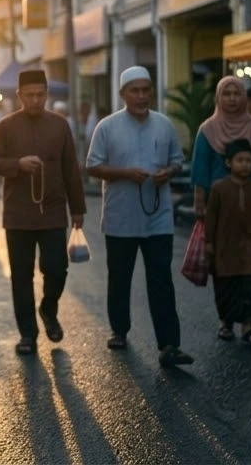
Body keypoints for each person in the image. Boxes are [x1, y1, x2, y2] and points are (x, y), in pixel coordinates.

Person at [85, 66, 192, 366]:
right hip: (121, 218)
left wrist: (168, 172)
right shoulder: (107, 127)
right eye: (135, 90)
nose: (142, 96)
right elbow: (93, 166)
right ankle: (119, 330)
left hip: (159, 217)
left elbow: (177, 160)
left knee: (161, 279)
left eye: (146, 90)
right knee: (120, 278)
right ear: (123, 94)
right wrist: (124, 173)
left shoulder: (164, 124)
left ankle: (169, 344)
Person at [0, 69, 86, 353]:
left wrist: (77, 209)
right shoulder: (6, 126)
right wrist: (17, 164)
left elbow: (71, 168)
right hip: (18, 214)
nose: (35, 100)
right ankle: (27, 335)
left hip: (53, 211)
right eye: (29, 95)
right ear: (19, 96)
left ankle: (49, 309)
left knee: (57, 267)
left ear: (47, 94)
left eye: (40, 95)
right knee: (21, 275)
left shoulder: (60, 125)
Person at [203, 138, 251, 347]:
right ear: (228, 163)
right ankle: (226, 324)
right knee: (226, 288)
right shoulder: (218, 188)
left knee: (250, 288)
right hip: (225, 247)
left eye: (249, 160)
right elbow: (211, 218)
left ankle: (248, 328)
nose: (245, 164)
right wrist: (209, 243)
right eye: (240, 160)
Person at [192, 76, 251, 222]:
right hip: (216, 203)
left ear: (244, 97)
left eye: (237, 93)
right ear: (218, 97)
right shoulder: (207, 129)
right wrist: (199, 201)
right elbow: (200, 168)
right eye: (227, 94)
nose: (232, 98)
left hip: (248, 201)